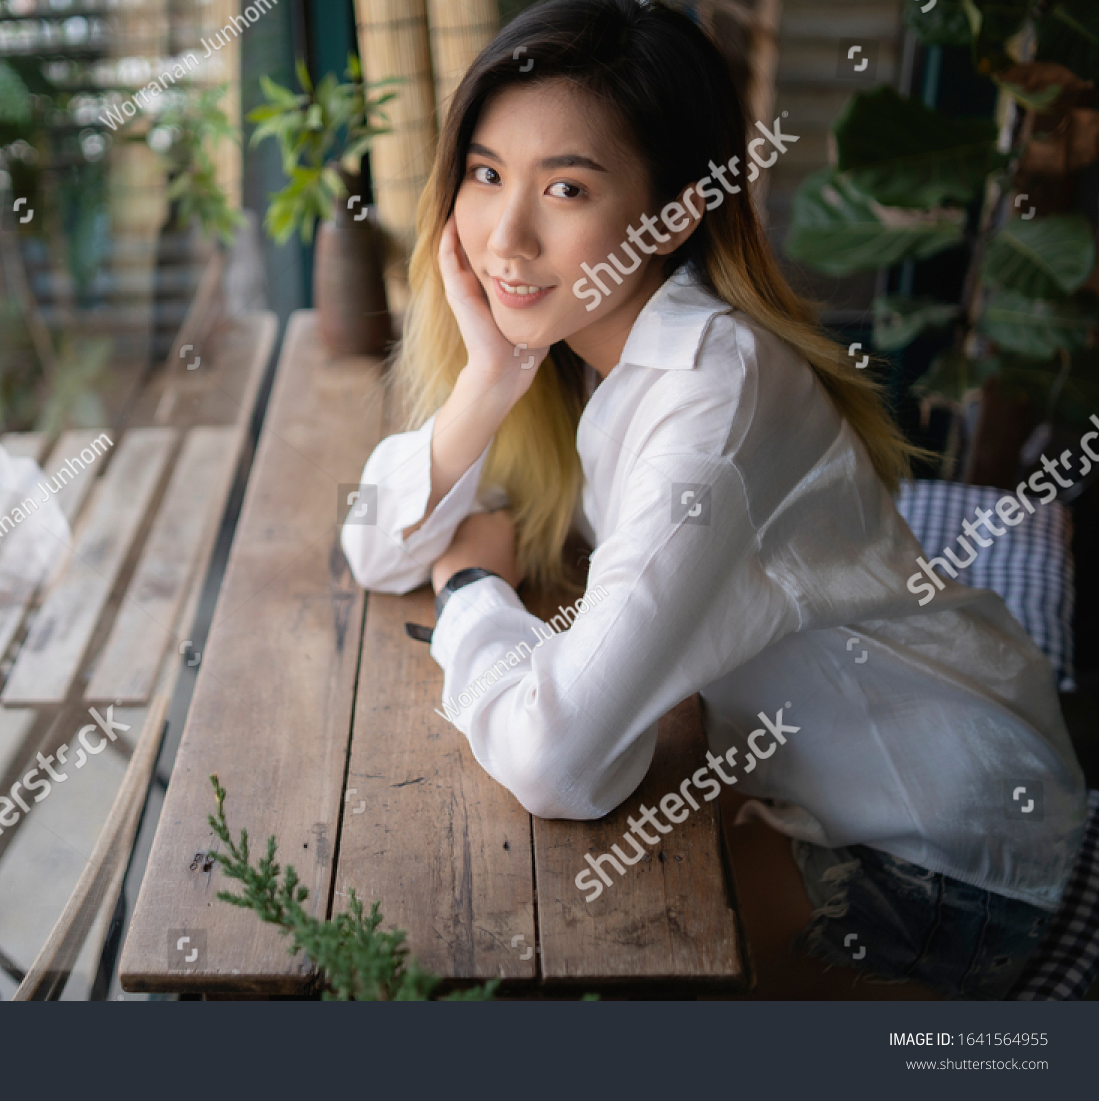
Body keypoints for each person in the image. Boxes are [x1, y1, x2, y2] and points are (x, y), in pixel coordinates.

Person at [340, 0, 1085, 999]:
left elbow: (561, 756)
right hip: (800, 785)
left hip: (940, 853)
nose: (504, 236)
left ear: (676, 211)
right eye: (485, 173)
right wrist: (483, 387)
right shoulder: (586, 348)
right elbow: (371, 549)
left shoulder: (711, 398)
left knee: (559, 973)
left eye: (565, 187)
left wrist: (473, 589)